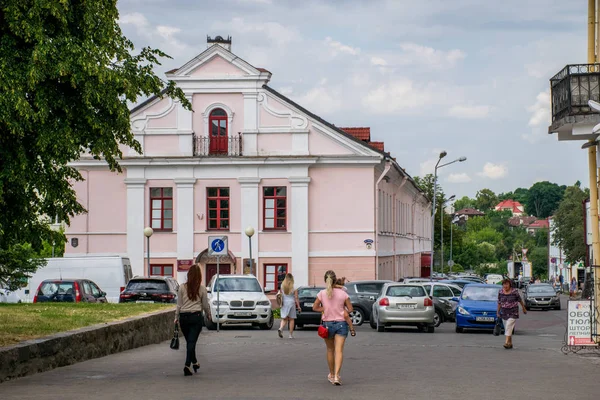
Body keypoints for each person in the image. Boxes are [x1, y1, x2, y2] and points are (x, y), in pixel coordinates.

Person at [313, 270, 354, 386]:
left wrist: (325, 309)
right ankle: (337, 376)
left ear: (325, 280)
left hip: (327, 324)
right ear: (335, 279)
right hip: (341, 324)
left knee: (330, 350)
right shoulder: (343, 294)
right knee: (339, 350)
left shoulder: (322, 293)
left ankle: (331, 374)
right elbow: (350, 309)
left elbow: (315, 307)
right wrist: (343, 311)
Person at [175, 264, 211, 376]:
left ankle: (195, 362)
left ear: (189, 275)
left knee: (190, 342)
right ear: (199, 276)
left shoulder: (181, 287)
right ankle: (186, 365)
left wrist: (176, 317)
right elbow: (205, 304)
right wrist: (208, 314)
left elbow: (179, 304)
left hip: (184, 318)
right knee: (191, 342)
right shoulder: (202, 289)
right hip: (196, 318)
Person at [497, 278, 527, 349]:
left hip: (513, 312)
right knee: (507, 328)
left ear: (510, 284)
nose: (505, 286)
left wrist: (523, 308)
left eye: (507, 284)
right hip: (504, 312)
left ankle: (506, 342)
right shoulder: (500, 292)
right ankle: (510, 343)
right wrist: (497, 312)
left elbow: (520, 300)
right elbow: (499, 302)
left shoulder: (514, 292)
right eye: (504, 284)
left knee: (508, 325)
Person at [277, 273, 301, 339]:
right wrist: (298, 306)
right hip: (291, 303)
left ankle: (281, 328)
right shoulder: (294, 286)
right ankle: (290, 335)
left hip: (284, 303)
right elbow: (296, 297)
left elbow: (280, 295)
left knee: (284, 318)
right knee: (291, 319)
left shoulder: (282, 285)